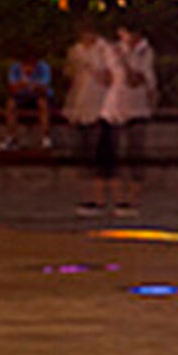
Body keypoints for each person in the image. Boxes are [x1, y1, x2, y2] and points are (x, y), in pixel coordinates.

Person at [100, 24, 158, 215]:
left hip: (137, 109)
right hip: (114, 110)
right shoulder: (112, 50)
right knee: (113, 155)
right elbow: (107, 77)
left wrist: (124, 61)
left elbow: (135, 80)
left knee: (135, 154)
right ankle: (117, 199)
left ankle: (132, 200)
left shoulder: (145, 52)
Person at [62, 22, 115, 217]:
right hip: (80, 107)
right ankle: (87, 197)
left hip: (101, 108)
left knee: (100, 154)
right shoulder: (76, 51)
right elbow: (69, 75)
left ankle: (100, 198)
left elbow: (111, 78)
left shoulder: (105, 50)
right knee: (83, 154)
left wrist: (94, 69)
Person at [0, 53, 54, 150]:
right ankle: (11, 137)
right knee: (10, 105)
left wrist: (35, 86)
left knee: (43, 104)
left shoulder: (43, 67)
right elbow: (12, 88)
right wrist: (21, 84)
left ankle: (46, 137)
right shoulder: (15, 68)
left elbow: (45, 87)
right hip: (21, 96)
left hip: (38, 95)